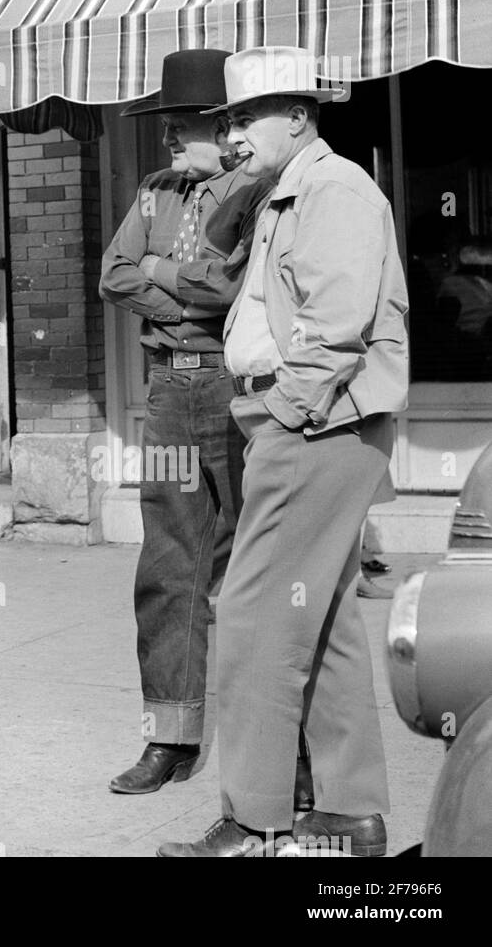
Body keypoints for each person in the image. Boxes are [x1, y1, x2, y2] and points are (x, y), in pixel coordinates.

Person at [159, 47, 408, 858]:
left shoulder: (331, 188)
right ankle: (347, 813)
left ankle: (253, 820)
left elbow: (336, 327)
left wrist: (283, 414)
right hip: (316, 422)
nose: (230, 135)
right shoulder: (285, 191)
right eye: (225, 120)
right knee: (324, 618)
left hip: (313, 424)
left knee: (250, 619)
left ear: (297, 115)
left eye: (244, 117)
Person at [99, 49, 269, 794]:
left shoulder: (257, 191)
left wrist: (171, 279)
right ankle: (169, 735)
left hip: (236, 391)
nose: (167, 139)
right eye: (164, 127)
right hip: (169, 393)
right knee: (167, 564)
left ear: (223, 124)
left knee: (251, 566)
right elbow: (113, 275)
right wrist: (188, 294)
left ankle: (264, 744)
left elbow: (230, 289)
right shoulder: (153, 192)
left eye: (181, 127)